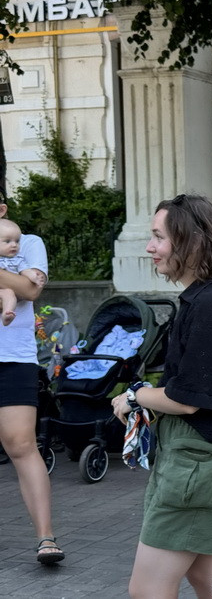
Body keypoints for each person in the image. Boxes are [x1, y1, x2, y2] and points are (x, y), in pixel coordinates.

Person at [111, 194, 212, 598]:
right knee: (211, 582)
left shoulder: (208, 304)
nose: (150, 247)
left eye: (159, 237)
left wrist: (136, 397)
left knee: (147, 590)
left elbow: (189, 398)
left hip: (197, 466)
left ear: (193, 242)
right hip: (206, 465)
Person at [0, 192, 63, 564]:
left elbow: (29, 289)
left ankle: (46, 537)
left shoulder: (27, 241)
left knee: (21, 445)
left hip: (13, 358)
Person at [0, 218, 44, 326]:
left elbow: (26, 271)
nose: (14, 245)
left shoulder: (18, 259)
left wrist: (35, 278)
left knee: (9, 294)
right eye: (7, 241)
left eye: (17, 241)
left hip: (4, 292)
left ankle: (7, 314)